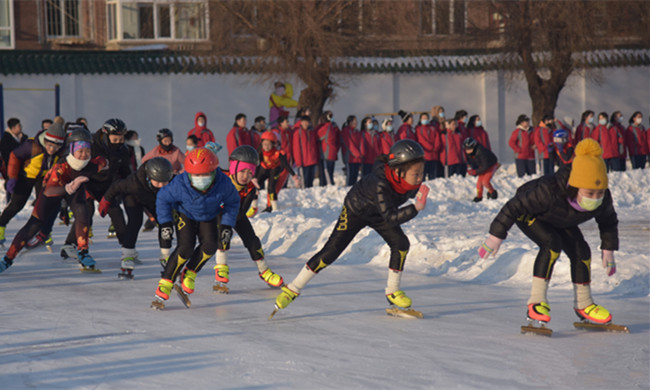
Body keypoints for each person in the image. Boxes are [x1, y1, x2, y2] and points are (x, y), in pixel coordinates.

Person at [272, 139, 429, 316]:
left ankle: (392, 291)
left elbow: (389, 211)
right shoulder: (380, 184)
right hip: (356, 209)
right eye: (416, 174)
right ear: (398, 171)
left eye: (421, 173)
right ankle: (292, 289)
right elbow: (391, 217)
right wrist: (415, 208)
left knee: (401, 244)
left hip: (379, 212)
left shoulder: (406, 181)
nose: (419, 178)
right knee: (330, 252)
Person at [478, 138, 619, 325]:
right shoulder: (547, 191)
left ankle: (584, 304)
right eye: (589, 193)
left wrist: (608, 249)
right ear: (575, 186)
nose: (595, 198)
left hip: (560, 218)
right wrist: (495, 236)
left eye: (599, 193)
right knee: (552, 245)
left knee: (581, 251)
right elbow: (513, 207)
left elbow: (608, 221)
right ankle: (536, 302)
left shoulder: (603, 199)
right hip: (528, 213)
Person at [0, 129, 106, 273]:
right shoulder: (60, 168)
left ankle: (83, 252)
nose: (84, 155)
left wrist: (106, 164)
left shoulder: (92, 163)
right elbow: (50, 191)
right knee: (33, 225)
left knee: (83, 213)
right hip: (53, 190)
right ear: (72, 150)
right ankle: (7, 258)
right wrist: (68, 188)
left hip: (74, 189)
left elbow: (103, 161)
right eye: (80, 151)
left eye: (87, 150)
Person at [152, 148, 240, 309]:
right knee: (185, 247)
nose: (200, 179)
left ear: (214, 172)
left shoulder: (224, 183)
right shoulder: (179, 184)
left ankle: (190, 272)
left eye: (205, 175)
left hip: (209, 216)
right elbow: (163, 198)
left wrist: (227, 225)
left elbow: (233, 202)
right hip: (185, 214)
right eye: (196, 175)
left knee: (211, 246)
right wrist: (165, 223)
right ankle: (165, 282)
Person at [211, 145, 285, 293]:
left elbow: (240, 213)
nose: (246, 175)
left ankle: (264, 271)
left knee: (253, 241)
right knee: (223, 235)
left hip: (235, 213)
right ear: (233, 168)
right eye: (242, 171)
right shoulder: (220, 177)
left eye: (250, 172)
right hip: (215, 213)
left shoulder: (250, 188)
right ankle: (220, 271)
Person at [59, 119, 133, 257]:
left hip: (106, 185)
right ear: (105, 135)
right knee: (87, 212)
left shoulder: (122, 150)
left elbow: (126, 173)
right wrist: (63, 200)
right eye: (115, 139)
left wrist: (130, 188)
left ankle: (127, 247)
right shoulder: (90, 144)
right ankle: (69, 245)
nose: (118, 142)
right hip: (86, 182)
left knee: (116, 211)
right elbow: (68, 161)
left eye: (121, 139)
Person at [98, 157, 174, 277]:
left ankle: (166, 256)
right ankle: (127, 255)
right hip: (133, 197)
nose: (161, 185)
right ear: (149, 177)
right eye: (157, 182)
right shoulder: (133, 183)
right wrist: (105, 201)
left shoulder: (172, 179)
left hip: (155, 201)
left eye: (165, 182)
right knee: (135, 222)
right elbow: (115, 187)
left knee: (165, 223)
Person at [0, 122, 65, 245]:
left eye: (56, 147)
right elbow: (14, 156)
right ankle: (1, 226)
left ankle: (44, 232)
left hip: (44, 177)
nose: (52, 149)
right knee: (17, 204)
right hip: (26, 175)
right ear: (45, 140)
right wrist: (12, 178)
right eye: (49, 145)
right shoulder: (32, 146)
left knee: (45, 203)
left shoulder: (62, 150)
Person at [256, 131, 300, 212]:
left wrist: (294, 175)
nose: (266, 147)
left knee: (271, 188)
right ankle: (254, 206)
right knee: (255, 186)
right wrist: (254, 177)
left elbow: (286, 164)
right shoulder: (260, 151)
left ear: (273, 144)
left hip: (274, 170)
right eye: (264, 144)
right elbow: (256, 164)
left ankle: (274, 207)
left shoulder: (277, 153)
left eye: (269, 144)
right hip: (264, 169)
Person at [464, 137, 499, 202]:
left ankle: (493, 193)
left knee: (485, 181)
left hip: (491, 165)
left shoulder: (481, 152)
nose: (468, 151)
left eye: (469, 149)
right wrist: (470, 168)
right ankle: (479, 197)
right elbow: (470, 162)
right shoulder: (470, 153)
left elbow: (485, 166)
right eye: (466, 149)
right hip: (483, 166)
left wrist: (475, 172)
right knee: (479, 184)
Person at [1, 118, 28, 196]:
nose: (21, 128)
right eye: (19, 126)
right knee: (12, 187)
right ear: (13, 128)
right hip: (10, 167)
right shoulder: (6, 139)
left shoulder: (22, 138)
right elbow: (8, 155)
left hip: (20, 167)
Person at [292, 115, 319, 188]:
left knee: (311, 181)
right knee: (304, 182)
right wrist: (298, 162)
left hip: (312, 160)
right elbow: (296, 148)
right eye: (304, 122)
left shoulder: (311, 132)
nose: (305, 124)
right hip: (303, 161)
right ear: (301, 122)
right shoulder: (298, 132)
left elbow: (314, 146)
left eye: (307, 122)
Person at [415, 113, 443, 180]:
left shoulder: (433, 128)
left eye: (426, 118)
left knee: (433, 175)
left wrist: (435, 147)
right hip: (425, 155)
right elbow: (421, 140)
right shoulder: (418, 129)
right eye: (423, 118)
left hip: (434, 156)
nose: (425, 120)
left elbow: (437, 138)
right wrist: (430, 147)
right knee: (423, 175)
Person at [316, 111, 340, 186]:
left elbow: (316, 136)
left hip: (326, 153)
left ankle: (327, 186)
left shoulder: (326, 127)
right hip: (331, 153)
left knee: (325, 174)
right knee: (329, 172)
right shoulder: (333, 127)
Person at [341, 115, 363, 186]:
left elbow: (360, 143)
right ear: (350, 122)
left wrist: (360, 154)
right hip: (350, 157)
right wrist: (357, 153)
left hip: (357, 159)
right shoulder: (346, 131)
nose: (356, 123)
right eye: (354, 121)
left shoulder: (357, 132)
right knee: (350, 176)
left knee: (355, 176)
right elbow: (349, 144)